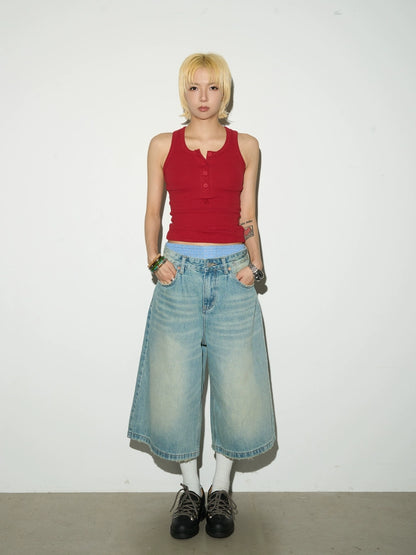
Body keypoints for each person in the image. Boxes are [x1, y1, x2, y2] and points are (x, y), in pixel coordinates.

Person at [128, 52, 276, 540]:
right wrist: (155, 260)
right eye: (194, 87)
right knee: (175, 384)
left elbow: (248, 215)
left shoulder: (248, 146)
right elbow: (153, 212)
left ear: (224, 92)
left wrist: (256, 266)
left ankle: (221, 488)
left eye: (212, 87)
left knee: (238, 384)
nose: (203, 97)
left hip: (233, 275)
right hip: (180, 276)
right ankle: (190, 489)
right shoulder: (162, 145)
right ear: (184, 92)